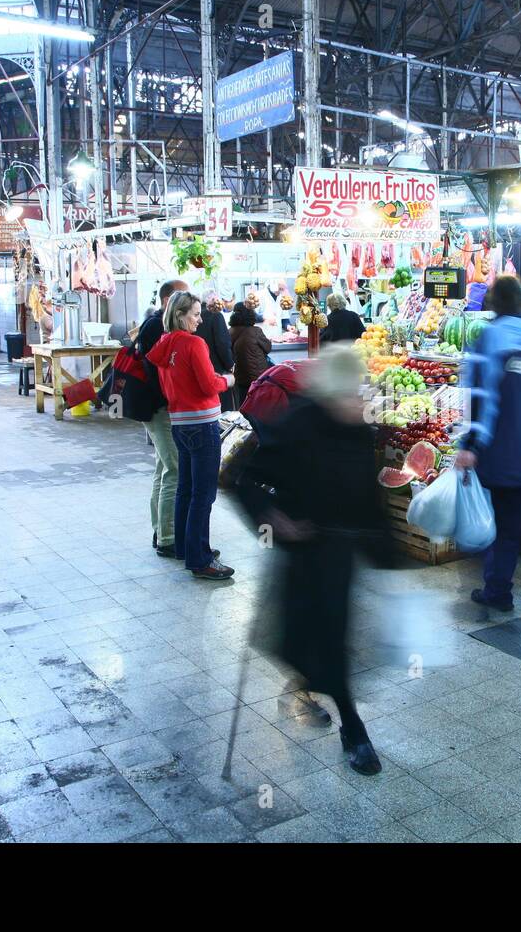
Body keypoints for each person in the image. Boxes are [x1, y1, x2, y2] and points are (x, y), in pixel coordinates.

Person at [236, 345, 394, 775]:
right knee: (300, 640)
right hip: (302, 554)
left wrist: (386, 551)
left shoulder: (359, 429)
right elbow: (244, 479)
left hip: (340, 555)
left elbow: (366, 493)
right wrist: (273, 519)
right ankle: (324, 696)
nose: (358, 401)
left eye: (360, 393)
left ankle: (351, 726)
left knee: (334, 641)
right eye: (349, 394)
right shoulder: (297, 424)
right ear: (327, 393)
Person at [454, 275, 521, 611]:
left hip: (492, 448)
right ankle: (500, 590)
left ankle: (494, 584)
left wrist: (470, 443)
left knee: (484, 519)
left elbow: (479, 396)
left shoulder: (490, 337)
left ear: (494, 302)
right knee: (510, 525)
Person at [146, 290, 236, 580]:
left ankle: (187, 547)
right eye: (195, 314)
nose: (199, 320)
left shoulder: (164, 344)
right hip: (203, 422)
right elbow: (209, 385)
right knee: (204, 494)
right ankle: (201, 559)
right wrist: (229, 380)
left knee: (186, 488)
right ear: (180, 315)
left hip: (179, 423)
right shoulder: (193, 344)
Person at [134, 280, 188, 559]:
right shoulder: (158, 328)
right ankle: (168, 538)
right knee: (174, 470)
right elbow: (162, 372)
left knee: (163, 468)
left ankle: (160, 531)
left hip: (154, 408)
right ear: (169, 301)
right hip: (160, 408)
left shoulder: (152, 325)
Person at [228, 302, 272, 410]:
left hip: (240, 377)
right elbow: (268, 348)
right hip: (257, 378)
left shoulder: (230, 331)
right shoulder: (255, 331)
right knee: (259, 408)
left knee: (244, 407)